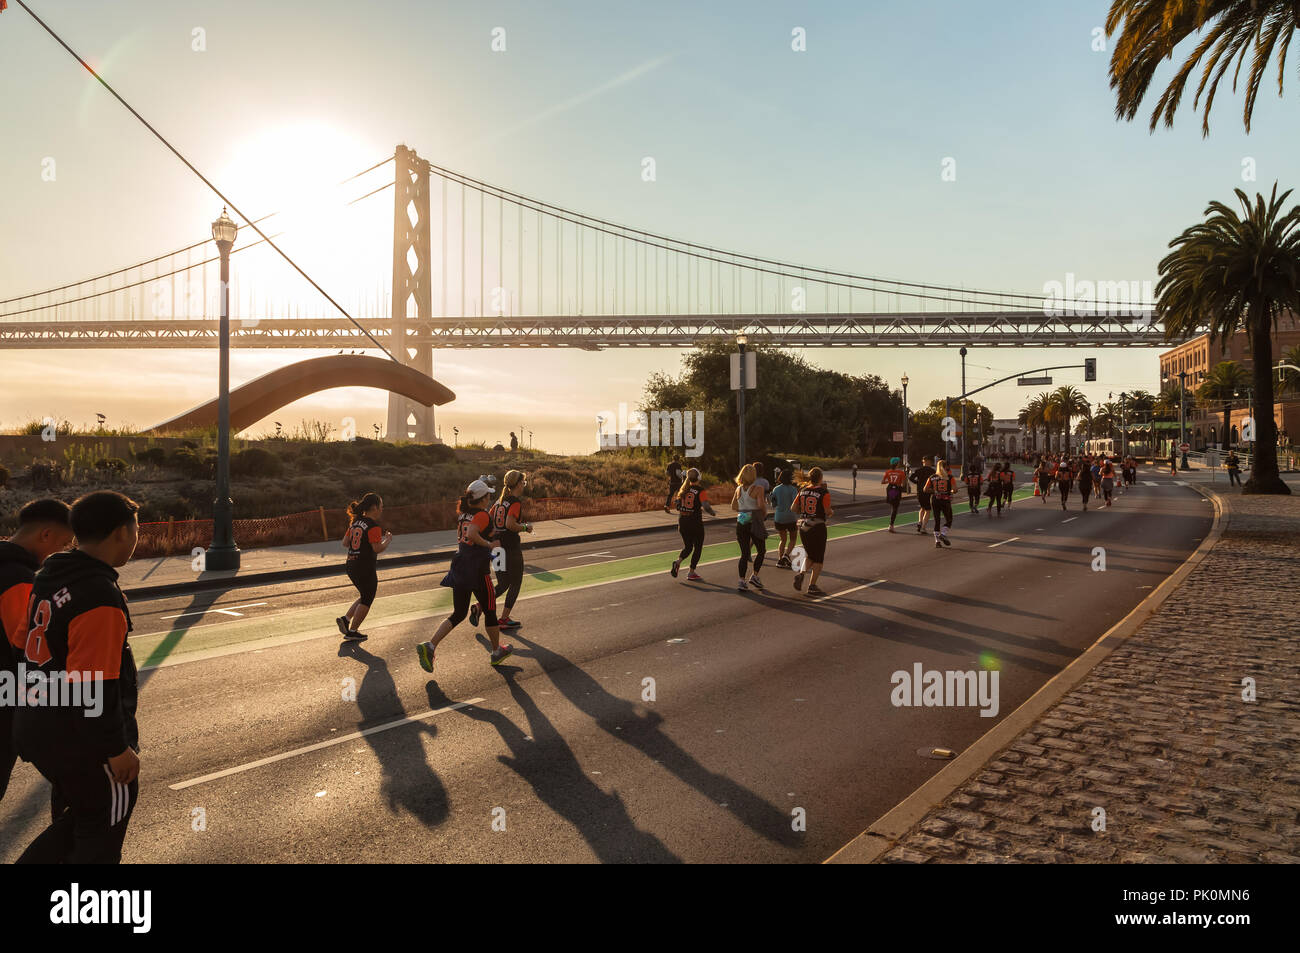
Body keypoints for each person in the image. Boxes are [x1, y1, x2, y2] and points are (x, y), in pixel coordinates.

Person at [14, 491, 141, 864]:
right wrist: (116, 749)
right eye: (136, 529)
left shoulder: (51, 576)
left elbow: (23, 645)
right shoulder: (98, 595)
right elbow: (93, 685)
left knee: (83, 817)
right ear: (121, 532)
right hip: (80, 739)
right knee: (102, 828)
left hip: (39, 725)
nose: (137, 537)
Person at [0, 498, 73, 803]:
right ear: (46, 535)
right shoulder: (17, 579)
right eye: (64, 543)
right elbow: (31, 653)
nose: (63, 551)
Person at [416, 481, 514, 673]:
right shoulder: (482, 515)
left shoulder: (464, 515)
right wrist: (488, 545)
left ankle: (430, 646)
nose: (489, 499)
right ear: (483, 498)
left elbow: (466, 535)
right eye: (488, 496)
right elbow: (473, 534)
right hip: (476, 569)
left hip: (460, 566)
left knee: (459, 613)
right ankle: (496, 652)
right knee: (490, 609)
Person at [337, 492, 392, 642]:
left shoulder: (356, 522)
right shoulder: (373, 526)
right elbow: (377, 549)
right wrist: (387, 540)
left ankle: (346, 619)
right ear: (374, 508)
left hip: (351, 564)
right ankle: (353, 631)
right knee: (368, 598)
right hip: (364, 566)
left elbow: (345, 543)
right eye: (381, 506)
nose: (382, 509)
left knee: (364, 595)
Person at [484, 470, 533, 628]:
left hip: (497, 548)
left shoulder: (498, 502)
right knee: (516, 582)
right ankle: (504, 619)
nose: (524, 485)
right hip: (510, 548)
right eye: (523, 482)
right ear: (518, 484)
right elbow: (510, 524)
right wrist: (525, 527)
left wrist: (494, 536)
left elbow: (489, 520)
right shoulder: (515, 502)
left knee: (503, 583)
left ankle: (479, 607)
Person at [792, 467, 832, 596]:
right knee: (818, 558)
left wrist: (803, 512)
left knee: (810, 555)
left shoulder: (802, 491)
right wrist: (831, 512)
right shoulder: (823, 492)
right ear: (820, 478)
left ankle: (801, 574)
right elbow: (827, 511)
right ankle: (812, 585)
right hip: (817, 526)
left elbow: (793, 508)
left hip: (803, 526)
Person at [671, 468, 716, 581]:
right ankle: (691, 571)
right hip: (695, 523)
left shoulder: (683, 490)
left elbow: (677, 505)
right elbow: (705, 506)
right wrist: (712, 512)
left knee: (688, 546)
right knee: (698, 547)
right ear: (699, 478)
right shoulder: (700, 490)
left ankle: (678, 562)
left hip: (682, 522)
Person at [730, 464, 767, 591]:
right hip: (754, 522)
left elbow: (733, 506)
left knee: (744, 553)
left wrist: (743, 510)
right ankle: (755, 575)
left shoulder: (738, 489)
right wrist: (763, 514)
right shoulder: (758, 488)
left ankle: (741, 580)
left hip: (741, 522)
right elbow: (761, 505)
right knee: (761, 550)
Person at [770, 469, 800, 564]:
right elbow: (795, 503)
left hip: (779, 517)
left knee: (783, 540)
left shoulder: (776, 489)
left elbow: (773, 504)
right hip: (791, 517)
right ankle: (786, 555)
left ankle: (780, 559)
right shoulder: (793, 489)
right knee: (793, 538)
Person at [924, 461, 956, 548]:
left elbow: (925, 489)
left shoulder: (932, 477)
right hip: (945, 499)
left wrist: (935, 491)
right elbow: (955, 489)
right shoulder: (949, 477)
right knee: (949, 519)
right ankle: (943, 533)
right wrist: (951, 491)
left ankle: (937, 541)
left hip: (935, 499)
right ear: (946, 467)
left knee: (937, 520)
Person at [880, 457, 908, 532]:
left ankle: (891, 524)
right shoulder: (901, 472)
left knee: (892, 505)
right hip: (896, 488)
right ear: (897, 464)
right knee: (895, 507)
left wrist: (889, 481)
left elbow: (882, 482)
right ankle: (891, 525)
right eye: (899, 462)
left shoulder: (888, 472)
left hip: (890, 488)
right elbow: (904, 483)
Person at [910, 456, 936, 535]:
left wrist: (917, 483)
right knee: (928, 510)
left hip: (919, 491)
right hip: (928, 491)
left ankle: (920, 522)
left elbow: (911, 477)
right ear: (929, 461)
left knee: (922, 507)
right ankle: (924, 527)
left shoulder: (918, 470)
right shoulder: (932, 471)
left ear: (923, 461)